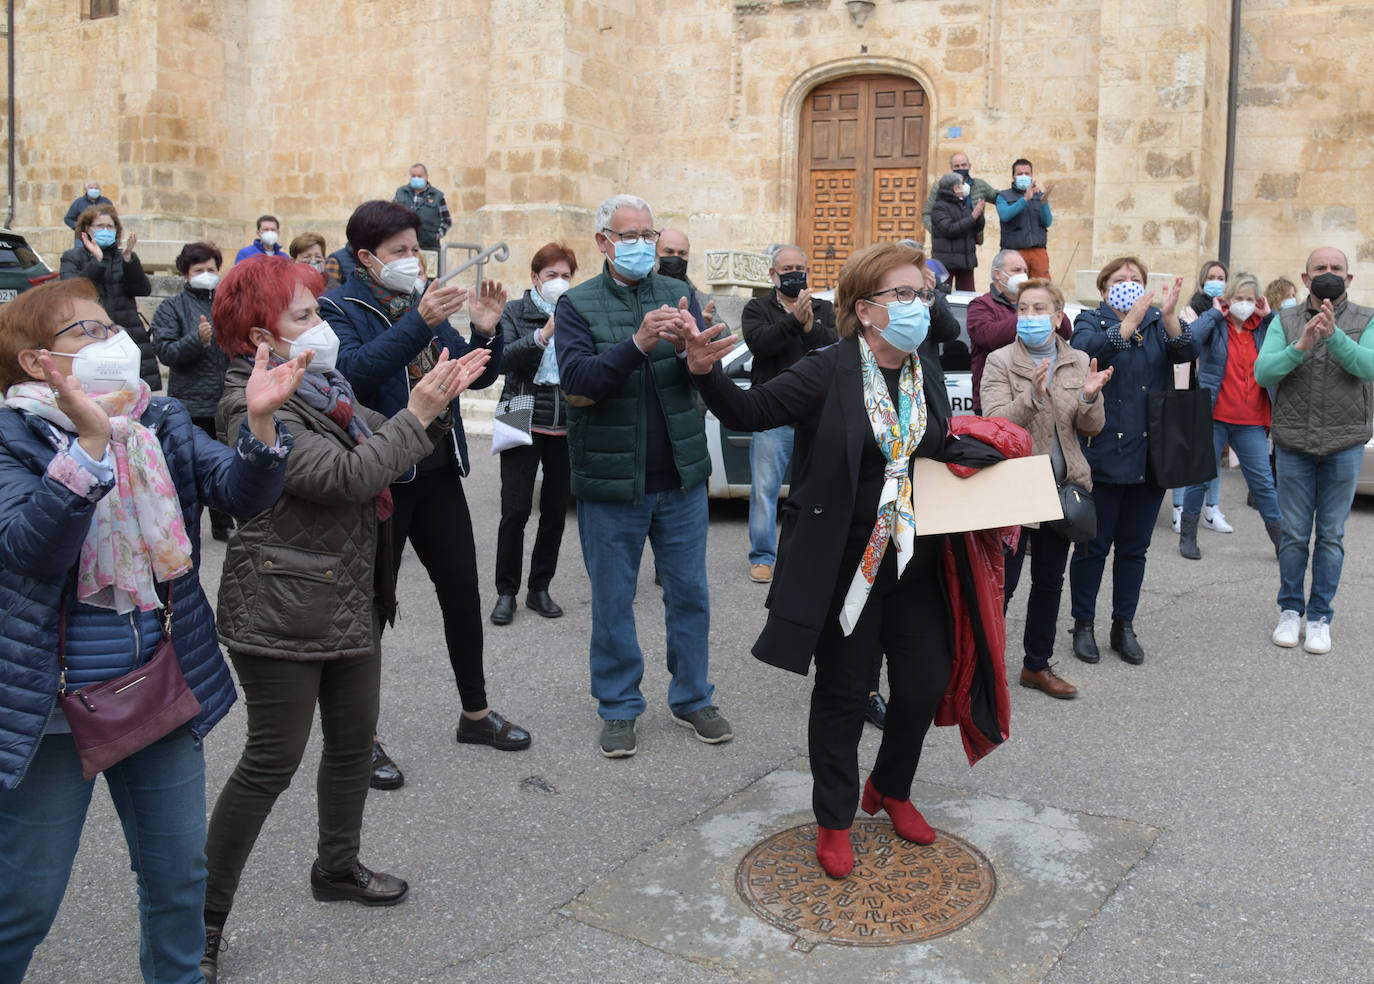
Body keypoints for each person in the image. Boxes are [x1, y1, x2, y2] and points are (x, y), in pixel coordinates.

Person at [0, 278, 300, 984]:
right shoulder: (11, 436)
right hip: (54, 710)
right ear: (33, 360)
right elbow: (30, 550)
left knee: (177, 882)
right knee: (25, 899)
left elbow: (238, 494)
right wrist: (90, 447)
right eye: (86, 332)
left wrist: (259, 427)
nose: (113, 341)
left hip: (156, 685)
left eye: (112, 327)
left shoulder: (156, 419)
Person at [678, 241, 1010, 879]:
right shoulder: (828, 369)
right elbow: (753, 409)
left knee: (923, 684)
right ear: (866, 309)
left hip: (915, 559)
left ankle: (889, 788)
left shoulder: (926, 370)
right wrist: (703, 372)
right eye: (904, 295)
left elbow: (937, 447)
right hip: (843, 565)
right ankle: (833, 819)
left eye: (924, 294)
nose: (920, 306)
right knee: (842, 694)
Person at [201, 258, 489, 982]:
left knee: (354, 744)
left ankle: (336, 866)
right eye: (305, 316)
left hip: (350, 596)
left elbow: (381, 449)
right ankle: (199, 920)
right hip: (282, 608)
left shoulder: (326, 388)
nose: (323, 326)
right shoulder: (250, 403)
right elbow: (345, 478)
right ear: (261, 334)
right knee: (270, 763)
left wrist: (435, 396)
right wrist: (418, 413)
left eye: (319, 312)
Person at [322, 200, 530, 788]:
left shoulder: (426, 306)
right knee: (369, 609)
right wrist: (417, 319)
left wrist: (484, 331)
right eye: (400, 252)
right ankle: (359, 739)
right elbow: (356, 374)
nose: (413, 260)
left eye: (417, 249)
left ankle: (476, 714)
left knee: (462, 591)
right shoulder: (339, 308)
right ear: (366, 257)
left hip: (439, 471)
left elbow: (465, 374)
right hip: (382, 477)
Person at [554, 193, 732, 759]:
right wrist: (637, 344)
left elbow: (701, 377)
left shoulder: (682, 295)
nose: (641, 247)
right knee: (612, 600)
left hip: (680, 480)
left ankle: (693, 698)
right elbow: (579, 385)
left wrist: (701, 360)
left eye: (647, 236)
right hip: (612, 486)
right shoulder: (576, 305)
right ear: (603, 242)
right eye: (628, 237)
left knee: (690, 596)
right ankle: (619, 706)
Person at [981, 279, 1114, 699]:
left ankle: (1035, 666)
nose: (1030, 317)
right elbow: (995, 423)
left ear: (1059, 317)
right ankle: (982, 669)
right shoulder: (1000, 361)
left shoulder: (1078, 361)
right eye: (1023, 308)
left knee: (1050, 582)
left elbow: (1090, 428)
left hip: (1062, 489)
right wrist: (1033, 398)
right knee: (1003, 584)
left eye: (1040, 309)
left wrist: (1090, 399)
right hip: (1015, 487)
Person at [1068, 256, 1194, 666]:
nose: (1128, 285)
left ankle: (1123, 625)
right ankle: (1083, 624)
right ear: (1105, 289)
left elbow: (1187, 354)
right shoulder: (1089, 320)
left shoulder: (1159, 322)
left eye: (1135, 280)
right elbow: (1088, 353)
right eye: (1120, 280)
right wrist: (1128, 322)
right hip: (1102, 452)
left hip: (1148, 453)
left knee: (1134, 550)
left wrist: (1170, 316)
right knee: (1092, 547)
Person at [1256, 247, 1374, 656]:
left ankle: (1320, 616)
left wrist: (1334, 335)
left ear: (1349, 278)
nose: (1328, 274)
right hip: (1294, 443)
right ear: (1305, 279)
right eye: (1320, 269)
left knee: (1331, 536)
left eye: (1336, 269)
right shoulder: (1284, 320)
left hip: (1344, 443)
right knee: (1293, 534)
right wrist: (1301, 344)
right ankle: (1291, 611)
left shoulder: (1367, 318)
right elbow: (1264, 372)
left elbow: (1370, 367)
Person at [490, 243, 578, 626]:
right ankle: (505, 592)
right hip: (518, 412)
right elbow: (502, 360)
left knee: (555, 511)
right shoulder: (514, 311)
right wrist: (543, 334)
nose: (559, 282)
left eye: (565, 276)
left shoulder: (577, 312)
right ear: (535, 278)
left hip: (566, 421)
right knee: (515, 509)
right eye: (551, 275)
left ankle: (539, 587)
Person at [740, 244, 837, 584]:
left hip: (816, 415)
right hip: (773, 416)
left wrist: (810, 327)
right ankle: (763, 557)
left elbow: (833, 347)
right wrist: (793, 322)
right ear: (773, 275)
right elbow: (760, 343)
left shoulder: (823, 308)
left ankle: (809, 554)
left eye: (800, 267)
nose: (795, 273)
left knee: (817, 488)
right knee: (765, 489)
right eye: (787, 268)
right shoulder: (757, 308)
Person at [1176, 273, 1283, 560]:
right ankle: (1188, 536)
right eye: (1239, 298)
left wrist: (1269, 315)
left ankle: (1282, 543)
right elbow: (1190, 340)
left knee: (1263, 483)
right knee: (1199, 478)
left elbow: (1286, 342)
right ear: (1228, 299)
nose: (1244, 304)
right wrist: (1214, 312)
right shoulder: (1217, 325)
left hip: (1252, 421)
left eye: (1250, 299)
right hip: (1214, 416)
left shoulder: (1262, 327)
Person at [150, 241, 234, 541]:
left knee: (225, 464)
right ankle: (185, 528)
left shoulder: (227, 305)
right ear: (186, 273)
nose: (206, 274)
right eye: (199, 270)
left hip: (226, 400)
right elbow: (166, 351)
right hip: (190, 402)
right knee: (188, 468)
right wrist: (196, 340)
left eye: (211, 269)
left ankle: (223, 524)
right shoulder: (171, 307)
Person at [59, 202, 159, 391]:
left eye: (109, 226)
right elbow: (71, 291)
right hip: (90, 339)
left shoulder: (124, 257)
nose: (105, 230)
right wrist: (97, 262)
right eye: (99, 226)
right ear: (87, 229)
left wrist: (129, 259)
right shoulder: (73, 257)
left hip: (126, 336)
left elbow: (142, 289)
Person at [966, 249, 1072, 414]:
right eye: (1016, 270)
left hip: (1041, 391)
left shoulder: (1035, 301)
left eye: (1024, 271)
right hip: (999, 396)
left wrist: (1049, 303)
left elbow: (1065, 332)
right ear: (998, 274)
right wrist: (1027, 313)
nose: (1023, 275)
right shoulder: (980, 305)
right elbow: (988, 336)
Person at [1172, 259, 1230, 533]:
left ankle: (1212, 509)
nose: (1216, 281)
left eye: (1221, 276)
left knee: (1214, 453)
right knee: (1187, 453)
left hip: (1219, 391)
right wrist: (1214, 315)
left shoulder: (1230, 311)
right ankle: (1179, 509)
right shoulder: (1191, 309)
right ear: (1202, 280)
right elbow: (1189, 342)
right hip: (1190, 386)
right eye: (1212, 276)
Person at [995, 160, 1054, 279]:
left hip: (1038, 251)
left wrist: (1044, 202)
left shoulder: (1039, 195)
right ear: (1013, 176)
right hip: (1014, 252)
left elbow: (1047, 222)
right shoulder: (1003, 196)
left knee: (1041, 289)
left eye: (1027, 173)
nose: (1024, 176)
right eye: (1019, 174)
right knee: (1014, 288)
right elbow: (1005, 215)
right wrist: (1025, 200)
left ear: (1032, 175)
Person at [922, 151, 998, 243]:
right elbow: (927, 214)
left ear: (969, 166)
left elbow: (997, 198)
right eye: (957, 166)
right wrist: (937, 232)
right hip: (948, 240)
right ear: (951, 168)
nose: (960, 168)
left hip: (971, 240)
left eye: (963, 165)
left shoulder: (979, 185)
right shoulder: (939, 186)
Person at [929, 173, 986, 292]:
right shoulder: (939, 207)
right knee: (942, 295)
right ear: (955, 188)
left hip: (966, 260)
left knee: (968, 296)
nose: (965, 186)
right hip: (946, 262)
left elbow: (976, 228)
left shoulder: (964, 204)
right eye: (962, 184)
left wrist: (979, 215)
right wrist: (973, 216)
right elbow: (949, 229)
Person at [655, 228, 716, 325]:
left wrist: (705, 324)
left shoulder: (701, 299)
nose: (676, 257)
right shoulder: (640, 291)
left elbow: (726, 334)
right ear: (654, 253)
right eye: (669, 252)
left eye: (682, 253)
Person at [393, 163, 451, 252]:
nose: (416, 178)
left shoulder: (437, 196)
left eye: (419, 176)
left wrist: (437, 235)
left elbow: (446, 220)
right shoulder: (401, 193)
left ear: (426, 177)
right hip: (404, 246)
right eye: (413, 176)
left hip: (429, 246)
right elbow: (391, 216)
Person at [62, 179, 112, 246]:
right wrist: (79, 227)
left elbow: (113, 218)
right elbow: (68, 219)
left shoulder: (106, 202)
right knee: (81, 255)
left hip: (102, 237)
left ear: (100, 190)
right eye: (91, 188)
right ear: (86, 190)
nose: (94, 190)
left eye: (96, 188)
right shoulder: (78, 203)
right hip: (82, 238)